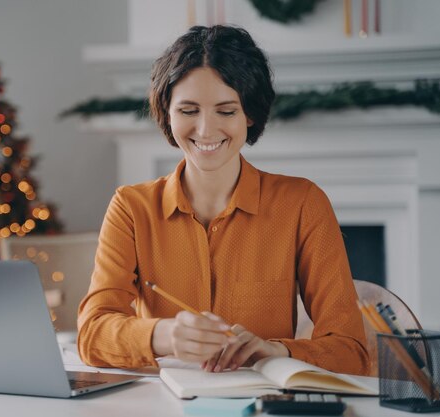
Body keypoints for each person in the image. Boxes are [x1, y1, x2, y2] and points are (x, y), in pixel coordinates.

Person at [77, 25, 369, 376]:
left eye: (226, 111)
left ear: (249, 114)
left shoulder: (303, 203)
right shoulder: (130, 207)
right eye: (188, 110)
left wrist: (274, 351)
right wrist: (164, 334)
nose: (205, 130)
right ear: (167, 112)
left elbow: (351, 352)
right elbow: (92, 335)